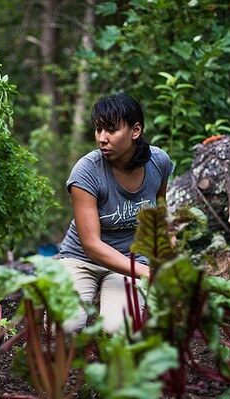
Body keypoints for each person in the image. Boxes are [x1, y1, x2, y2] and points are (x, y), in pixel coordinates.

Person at [58, 93, 174, 334]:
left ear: (135, 130)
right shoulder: (86, 171)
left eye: (111, 130)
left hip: (133, 259)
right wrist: (147, 273)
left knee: (117, 330)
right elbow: (91, 245)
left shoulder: (158, 163)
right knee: (64, 327)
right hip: (81, 259)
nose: (102, 138)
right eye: (98, 130)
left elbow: (160, 214)